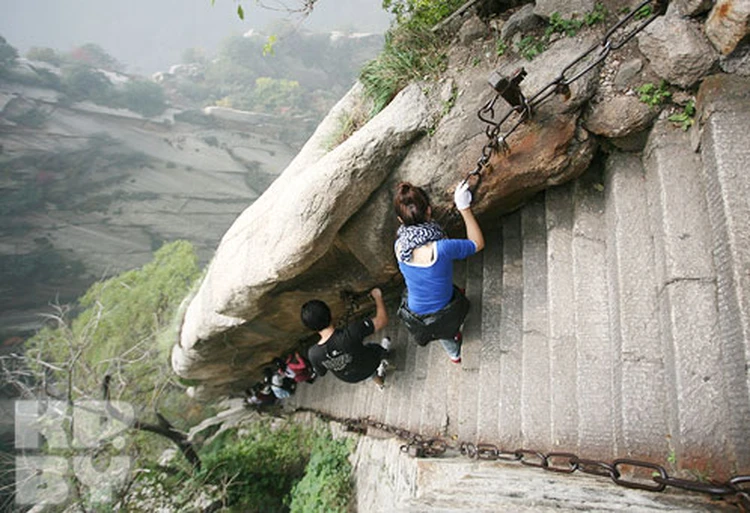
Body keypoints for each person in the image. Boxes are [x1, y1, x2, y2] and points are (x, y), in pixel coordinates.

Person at [393, 180, 484, 364]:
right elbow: (477, 244)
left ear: (400, 220)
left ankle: (454, 355)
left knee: (443, 333)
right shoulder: (442, 248)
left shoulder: (400, 246)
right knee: (445, 326)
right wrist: (464, 208)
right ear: (429, 210)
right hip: (442, 304)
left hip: (416, 306)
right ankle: (454, 350)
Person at [302, 288, 391, 390]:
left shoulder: (313, 354)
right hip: (369, 363)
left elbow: (321, 372)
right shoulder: (351, 332)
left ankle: (380, 384)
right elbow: (382, 320)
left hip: (350, 377)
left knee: (358, 366)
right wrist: (377, 297)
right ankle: (384, 356)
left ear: (311, 328)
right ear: (329, 313)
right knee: (373, 348)